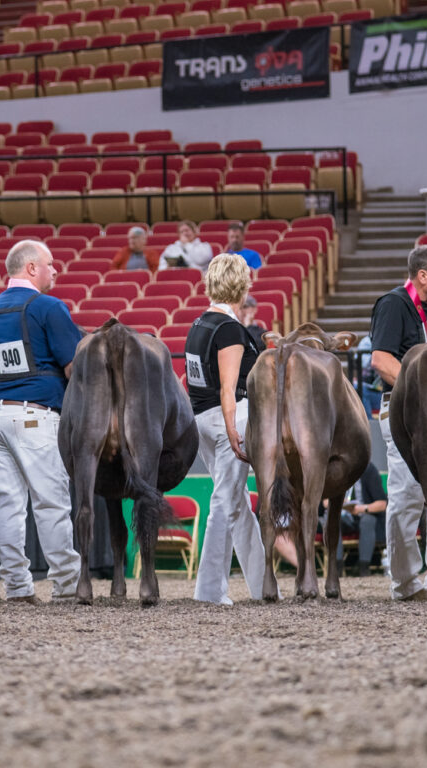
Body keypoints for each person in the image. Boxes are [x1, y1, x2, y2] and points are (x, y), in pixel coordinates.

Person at [0, 240, 83, 603]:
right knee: (50, 502)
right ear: (32, 267)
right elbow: (73, 367)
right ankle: (66, 585)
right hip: (36, 416)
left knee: (7, 504)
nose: (55, 270)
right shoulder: (49, 307)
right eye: (50, 263)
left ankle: (17, 587)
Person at [370, 244, 427, 601]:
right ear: (423, 276)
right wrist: (424, 388)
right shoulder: (393, 304)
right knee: (406, 498)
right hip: (405, 411)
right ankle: (404, 584)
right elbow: (380, 359)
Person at [186, 254, 268, 604]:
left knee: (237, 504)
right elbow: (228, 387)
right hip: (229, 419)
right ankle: (209, 591)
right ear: (242, 285)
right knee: (224, 503)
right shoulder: (230, 329)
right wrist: (234, 429)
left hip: (202, 419)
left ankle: (264, 587)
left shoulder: (199, 323)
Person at [339, 463, 386, 576]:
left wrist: (360, 509)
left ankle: (364, 567)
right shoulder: (337, 469)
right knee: (332, 521)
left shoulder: (369, 470)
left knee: (368, 521)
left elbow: (382, 504)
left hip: (364, 513)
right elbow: (324, 503)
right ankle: (336, 568)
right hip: (343, 516)